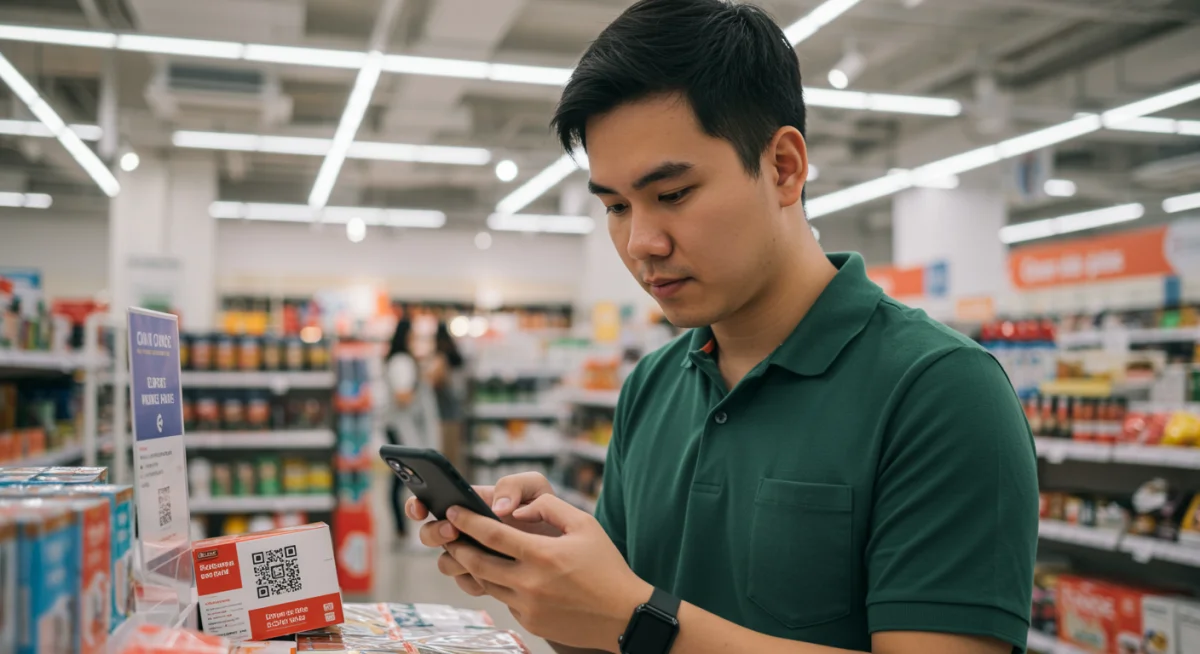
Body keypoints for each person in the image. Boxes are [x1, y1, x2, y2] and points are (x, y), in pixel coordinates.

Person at [406, 1, 1038, 653]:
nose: (641, 241)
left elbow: (641, 625)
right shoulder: (652, 384)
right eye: (617, 206)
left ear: (784, 168)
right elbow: (616, 636)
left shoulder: (942, 392)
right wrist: (553, 583)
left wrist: (637, 616)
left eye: (672, 194)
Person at [384, 318, 440, 538]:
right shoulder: (401, 362)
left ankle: (401, 529)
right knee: (405, 481)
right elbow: (403, 396)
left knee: (399, 481)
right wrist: (423, 383)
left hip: (398, 427)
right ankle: (404, 528)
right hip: (402, 429)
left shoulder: (399, 360)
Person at [428, 321, 468, 470]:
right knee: (453, 454)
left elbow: (434, 381)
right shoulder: (455, 357)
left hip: (444, 414)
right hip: (455, 412)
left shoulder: (440, 358)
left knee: (446, 455)